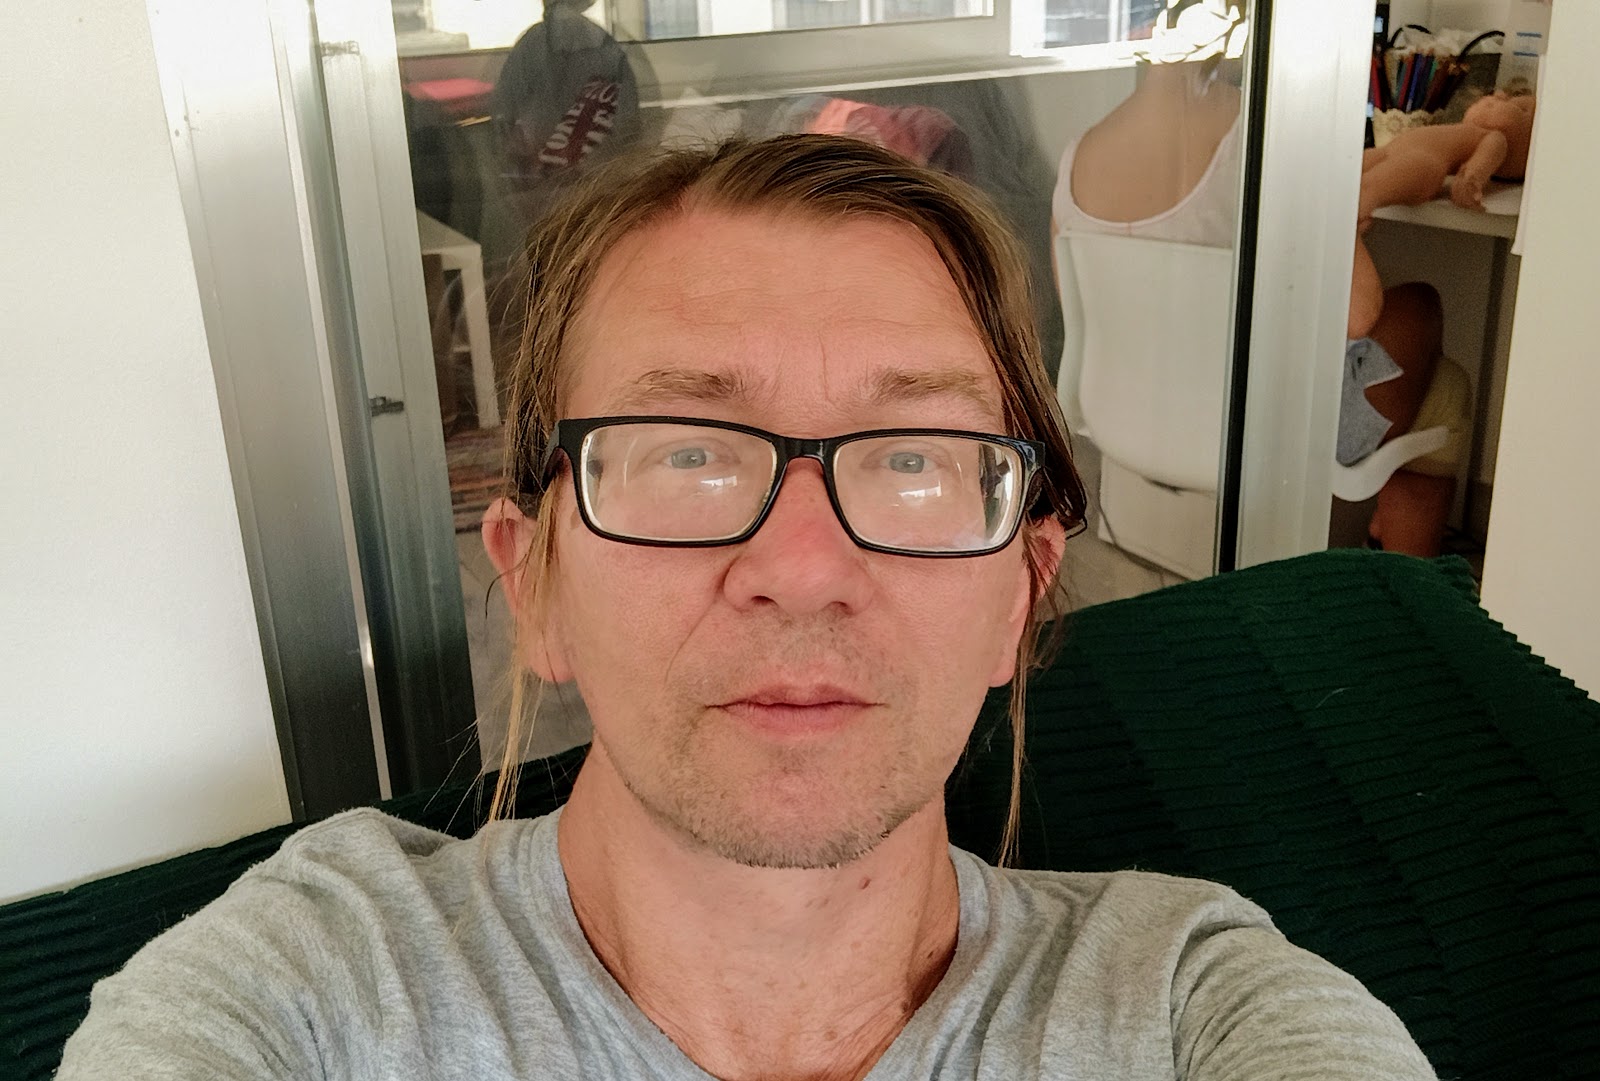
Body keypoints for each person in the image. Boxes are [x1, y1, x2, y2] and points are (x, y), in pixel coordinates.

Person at [58, 135, 1437, 1080]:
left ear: (1020, 592)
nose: (802, 565)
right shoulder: (316, 987)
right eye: (687, 455)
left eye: (913, 461)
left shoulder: (1190, 1006)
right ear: (533, 581)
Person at [1054, 48, 1461, 557]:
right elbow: (1358, 315)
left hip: (1129, 422)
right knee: (1426, 327)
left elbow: (1083, 314)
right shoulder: (1270, 135)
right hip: (1263, 437)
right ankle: (1398, 583)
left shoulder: (1078, 154)